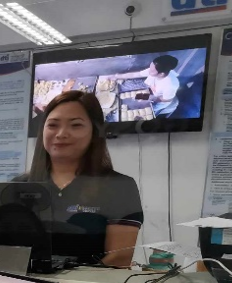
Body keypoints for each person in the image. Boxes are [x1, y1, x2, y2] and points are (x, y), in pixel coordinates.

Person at [17, 91, 143, 267]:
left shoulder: (119, 187)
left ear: (95, 132)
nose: (61, 134)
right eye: (52, 125)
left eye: (75, 125)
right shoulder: (18, 186)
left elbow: (119, 258)